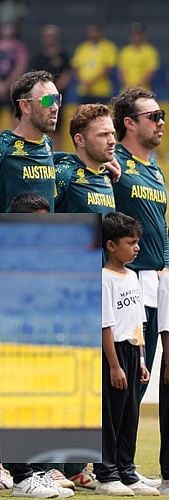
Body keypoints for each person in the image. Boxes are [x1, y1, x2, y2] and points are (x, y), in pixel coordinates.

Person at [110, 87, 168, 403]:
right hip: (125, 279)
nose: (161, 122)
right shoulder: (113, 160)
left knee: (140, 379)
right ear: (129, 123)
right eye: (154, 116)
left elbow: (162, 226)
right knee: (124, 374)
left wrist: (166, 264)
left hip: (153, 282)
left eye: (162, 115)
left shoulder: (156, 171)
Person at [99, 211, 159, 496]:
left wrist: (143, 360)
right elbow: (106, 325)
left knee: (130, 414)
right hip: (114, 353)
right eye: (130, 242)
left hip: (134, 352)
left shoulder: (133, 276)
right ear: (111, 245)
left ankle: (127, 470)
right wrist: (114, 365)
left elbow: (137, 322)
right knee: (111, 416)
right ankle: (106, 474)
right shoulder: (104, 278)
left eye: (137, 242)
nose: (137, 248)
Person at [0, 70, 58, 213]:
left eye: (57, 99)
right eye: (48, 101)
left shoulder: (47, 143)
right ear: (25, 106)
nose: (55, 107)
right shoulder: (0, 147)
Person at [53, 104, 116, 214]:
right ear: (80, 140)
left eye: (112, 134)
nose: (112, 141)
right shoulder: (63, 174)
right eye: (103, 135)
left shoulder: (110, 175)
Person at [28, 25, 72, 151]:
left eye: (50, 36)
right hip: (42, 97)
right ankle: (42, 150)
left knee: (55, 125)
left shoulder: (63, 55)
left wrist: (54, 89)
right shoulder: (39, 57)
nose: (48, 39)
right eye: (46, 36)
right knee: (42, 122)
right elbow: (34, 75)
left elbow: (67, 73)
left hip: (57, 96)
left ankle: (56, 151)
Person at [0, 23, 28, 137]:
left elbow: (20, 66)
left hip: (13, 86)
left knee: (14, 114)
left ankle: (15, 140)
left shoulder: (19, 47)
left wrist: (8, 84)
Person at [71, 23, 117, 105]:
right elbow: (76, 67)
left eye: (95, 31)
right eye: (91, 32)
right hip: (84, 91)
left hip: (101, 91)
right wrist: (82, 81)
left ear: (101, 33)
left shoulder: (109, 47)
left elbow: (108, 69)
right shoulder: (82, 48)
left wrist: (91, 81)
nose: (93, 34)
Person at [117, 22, 160, 91]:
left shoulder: (150, 51)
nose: (137, 37)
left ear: (144, 35)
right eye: (134, 34)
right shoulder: (125, 51)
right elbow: (121, 71)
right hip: (126, 90)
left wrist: (136, 87)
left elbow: (151, 72)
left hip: (143, 91)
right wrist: (127, 85)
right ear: (130, 36)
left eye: (139, 34)